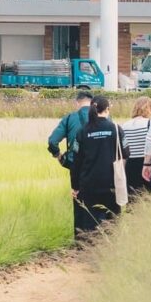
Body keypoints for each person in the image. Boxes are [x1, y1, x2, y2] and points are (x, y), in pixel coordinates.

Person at [71, 96, 123, 239]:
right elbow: (125, 153)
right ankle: (110, 249)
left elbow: (76, 162)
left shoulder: (81, 132)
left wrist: (75, 186)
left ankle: (90, 250)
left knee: (89, 220)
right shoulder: (116, 129)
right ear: (107, 110)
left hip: (88, 184)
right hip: (111, 183)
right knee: (112, 219)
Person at [47, 89, 92, 234]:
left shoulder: (69, 118)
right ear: (92, 103)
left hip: (75, 165)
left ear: (77, 103)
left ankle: (80, 239)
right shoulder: (103, 118)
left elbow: (52, 141)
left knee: (78, 200)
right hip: (97, 165)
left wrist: (59, 156)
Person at [120, 96, 151, 199]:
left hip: (130, 165)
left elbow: (123, 150)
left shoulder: (124, 125)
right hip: (146, 163)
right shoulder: (150, 124)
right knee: (148, 197)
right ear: (149, 108)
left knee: (133, 198)